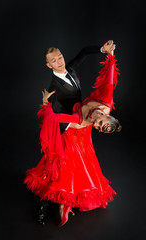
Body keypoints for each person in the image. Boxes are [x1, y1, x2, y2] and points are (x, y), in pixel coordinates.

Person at [24, 49, 122, 227]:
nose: (97, 125)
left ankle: (67, 202)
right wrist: (110, 57)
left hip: (80, 131)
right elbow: (108, 80)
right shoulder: (57, 85)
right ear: (49, 65)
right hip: (70, 127)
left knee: (79, 166)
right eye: (54, 60)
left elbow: (84, 55)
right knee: (59, 165)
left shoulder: (87, 120)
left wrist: (107, 53)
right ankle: (50, 204)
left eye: (60, 57)